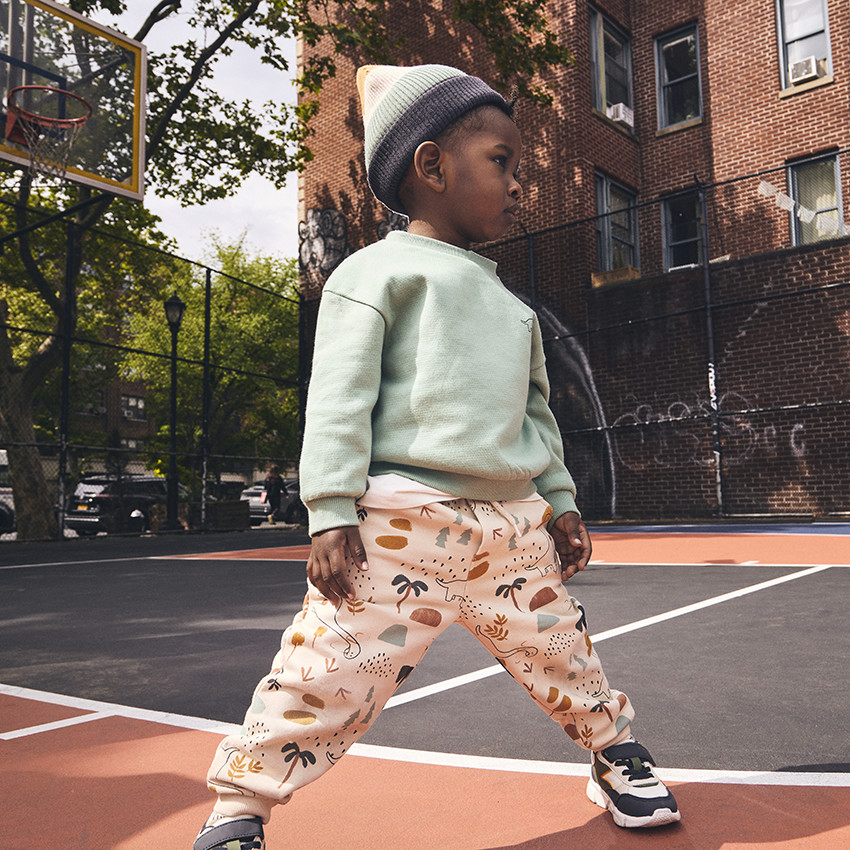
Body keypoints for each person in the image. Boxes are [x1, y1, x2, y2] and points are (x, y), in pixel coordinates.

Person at [193, 63, 680, 850]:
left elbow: (536, 416)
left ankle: (616, 753)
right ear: (431, 167)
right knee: (328, 670)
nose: (518, 183)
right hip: (399, 520)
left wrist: (560, 502)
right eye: (501, 161)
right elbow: (340, 396)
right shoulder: (373, 273)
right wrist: (329, 509)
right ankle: (240, 806)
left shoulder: (512, 306)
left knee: (562, 652)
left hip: (512, 527)